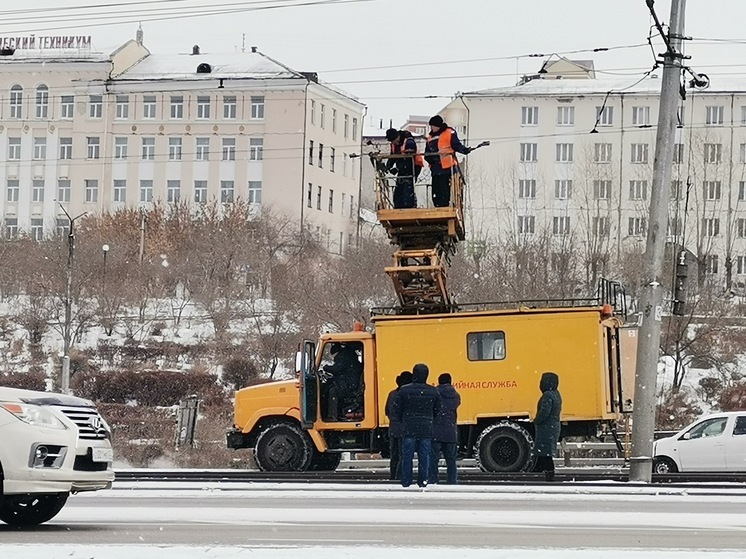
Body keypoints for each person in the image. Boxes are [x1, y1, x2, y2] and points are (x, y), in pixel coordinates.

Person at [392, 363, 441, 488]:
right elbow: (438, 410)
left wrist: (403, 420)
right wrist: (430, 418)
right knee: (424, 457)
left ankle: (406, 481)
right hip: (426, 427)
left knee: (407, 456)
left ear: (414, 374)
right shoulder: (433, 391)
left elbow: (396, 409)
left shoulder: (404, 390)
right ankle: (422, 480)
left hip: (409, 427)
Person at [423, 115, 473, 208]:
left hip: (447, 168)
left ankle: (444, 206)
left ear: (437, 125)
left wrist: (464, 150)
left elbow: (456, 145)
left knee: (444, 189)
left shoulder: (449, 132)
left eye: (432, 126)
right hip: (435, 168)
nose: (431, 128)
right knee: (436, 190)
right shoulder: (430, 137)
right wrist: (431, 159)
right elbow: (427, 153)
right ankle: (438, 206)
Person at [429, 373, 461, 485]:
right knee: (451, 460)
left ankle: (433, 480)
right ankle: (452, 480)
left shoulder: (434, 394)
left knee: (433, 460)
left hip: (435, 431)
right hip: (450, 431)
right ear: (450, 381)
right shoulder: (456, 395)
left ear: (439, 381)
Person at [533, 371, 562, 482]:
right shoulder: (556, 394)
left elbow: (545, 411)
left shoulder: (547, 395)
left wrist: (536, 421)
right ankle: (540, 470)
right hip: (553, 426)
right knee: (545, 450)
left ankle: (547, 472)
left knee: (544, 451)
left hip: (546, 427)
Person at [323, 342, 363, 421]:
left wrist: (326, 367)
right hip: (350, 382)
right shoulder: (349, 354)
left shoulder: (344, 355)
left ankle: (332, 416)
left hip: (349, 385)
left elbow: (337, 369)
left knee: (332, 392)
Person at [384, 371, 413, 481]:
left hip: (393, 428)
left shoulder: (392, 394)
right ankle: (400, 476)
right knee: (403, 454)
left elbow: (387, 411)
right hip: (404, 429)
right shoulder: (407, 395)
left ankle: (393, 476)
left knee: (394, 455)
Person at [384, 128, 422, 209]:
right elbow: (393, 156)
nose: (393, 142)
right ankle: (399, 205)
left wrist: (397, 169)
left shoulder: (409, 142)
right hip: (402, 166)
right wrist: (388, 166)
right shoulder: (394, 144)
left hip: (414, 165)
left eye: (394, 140)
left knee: (407, 185)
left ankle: (408, 205)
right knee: (400, 187)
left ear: (397, 137)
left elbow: (409, 159)